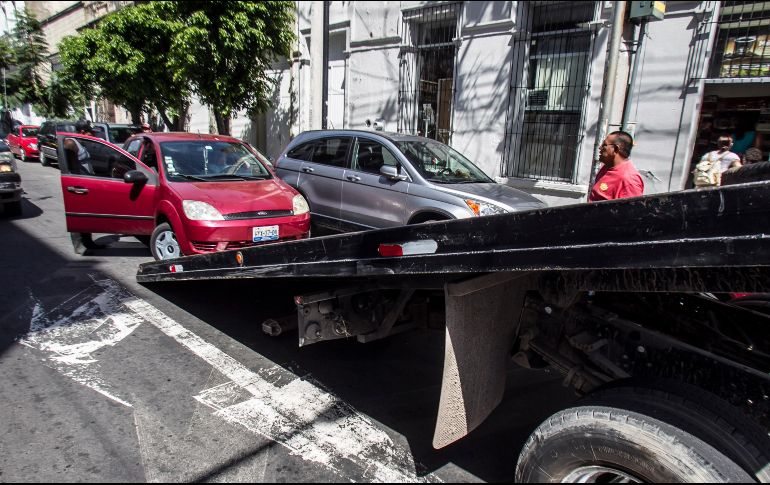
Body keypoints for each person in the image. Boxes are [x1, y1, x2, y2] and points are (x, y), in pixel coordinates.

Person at [588, 130, 644, 202]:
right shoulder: (607, 167)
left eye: (604, 145)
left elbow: (632, 208)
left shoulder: (629, 179)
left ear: (615, 149)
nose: (600, 148)